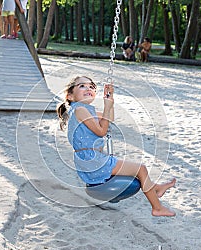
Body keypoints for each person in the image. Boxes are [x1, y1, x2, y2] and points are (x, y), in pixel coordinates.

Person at [56, 76, 176, 216]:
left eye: (91, 86)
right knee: (141, 169)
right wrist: (106, 107)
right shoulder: (80, 110)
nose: (88, 88)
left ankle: (156, 188)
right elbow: (101, 131)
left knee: (139, 172)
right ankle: (157, 208)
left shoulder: (83, 110)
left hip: (90, 161)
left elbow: (109, 118)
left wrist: (110, 101)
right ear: (70, 95)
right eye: (82, 86)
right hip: (94, 161)